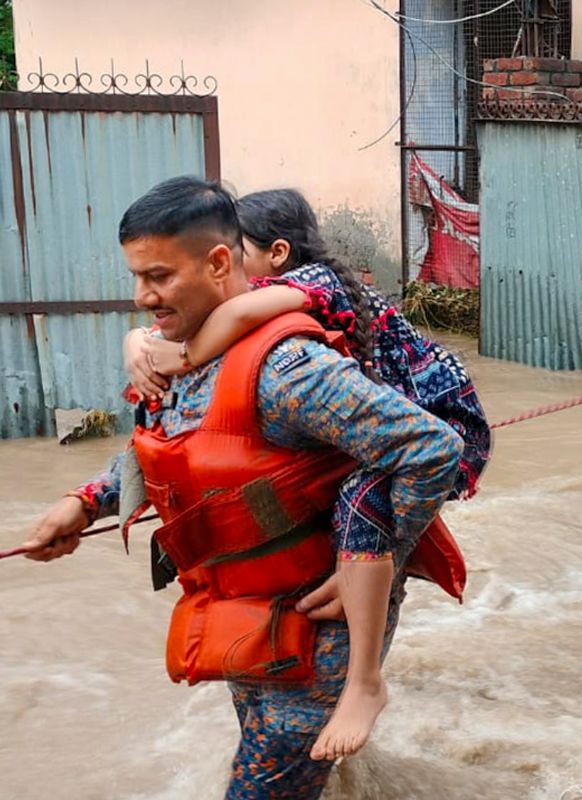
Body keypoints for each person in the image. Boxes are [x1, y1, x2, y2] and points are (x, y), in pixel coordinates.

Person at [21, 176, 465, 799]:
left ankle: (363, 687)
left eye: (158, 277)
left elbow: (431, 448)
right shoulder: (180, 355)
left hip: (318, 633)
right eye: (137, 277)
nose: (142, 297)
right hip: (247, 620)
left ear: (218, 263)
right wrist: (85, 502)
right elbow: (172, 448)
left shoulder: (289, 370)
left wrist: (382, 555)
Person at [122, 187, 490, 763]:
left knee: (360, 504)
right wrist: (139, 344)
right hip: (384, 427)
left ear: (275, 255)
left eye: (238, 253)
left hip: (444, 424)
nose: (232, 269)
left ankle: (364, 681)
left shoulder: (309, 286)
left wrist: (182, 354)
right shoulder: (275, 302)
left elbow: (237, 313)